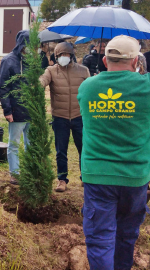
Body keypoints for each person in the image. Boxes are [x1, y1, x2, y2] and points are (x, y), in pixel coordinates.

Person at [77, 29, 150, 269]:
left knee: (100, 239)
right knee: (125, 237)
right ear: (136, 61)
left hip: (99, 176)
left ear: (104, 60)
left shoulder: (88, 88)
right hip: (136, 179)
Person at [40, 42, 90, 192]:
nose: (64, 57)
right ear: (56, 56)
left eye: (67, 55)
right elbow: (42, 80)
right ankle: (62, 180)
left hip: (79, 116)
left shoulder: (83, 70)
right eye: (61, 55)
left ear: (72, 55)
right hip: (59, 117)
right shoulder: (51, 71)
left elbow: (91, 89)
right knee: (61, 150)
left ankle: (85, 177)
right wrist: (37, 84)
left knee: (84, 148)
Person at [0, 31, 31, 184]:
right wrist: (7, 110)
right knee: (14, 144)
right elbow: (3, 87)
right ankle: (15, 173)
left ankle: (30, 170)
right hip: (16, 111)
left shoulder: (31, 61)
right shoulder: (8, 61)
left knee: (31, 144)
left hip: (31, 111)